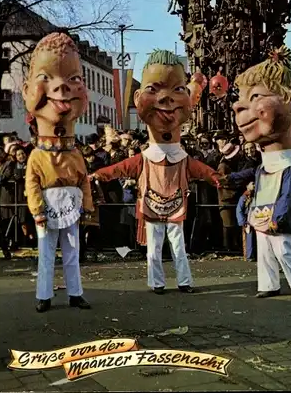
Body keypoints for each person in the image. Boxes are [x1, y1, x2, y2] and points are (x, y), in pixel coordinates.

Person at [90, 49, 222, 294]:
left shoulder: (181, 158)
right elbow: (120, 168)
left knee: (178, 246)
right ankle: (158, 283)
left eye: (177, 89)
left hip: (175, 205)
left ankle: (183, 282)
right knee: (154, 247)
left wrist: (214, 176)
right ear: (139, 98)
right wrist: (100, 174)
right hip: (151, 205)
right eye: (154, 89)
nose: (166, 98)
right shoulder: (144, 158)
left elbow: (200, 169)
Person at [225, 45, 291, 298]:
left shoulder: (289, 166)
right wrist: (229, 178)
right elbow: (253, 173)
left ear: (289, 101)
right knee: (263, 248)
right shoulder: (264, 164)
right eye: (241, 98)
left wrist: (280, 215)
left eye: (255, 97)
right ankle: (268, 285)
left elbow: (287, 194)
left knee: (283, 248)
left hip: (276, 216)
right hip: (261, 212)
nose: (238, 106)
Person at [23, 32, 94, 313]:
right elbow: (32, 185)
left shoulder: (75, 154)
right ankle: (44, 295)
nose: (62, 87)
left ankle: (75, 293)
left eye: (74, 79)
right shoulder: (37, 156)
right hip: (49, 205)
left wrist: (86, 205)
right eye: (46, 77)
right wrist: (37, 209)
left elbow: (83, 181)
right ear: (27, 89)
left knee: (72, 251)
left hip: (71, 205)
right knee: (46, 251)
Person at [236, 181, 256, 261]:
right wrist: (243, 221)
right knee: (249, 238)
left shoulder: (256, 196)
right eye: (252, 184)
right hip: (248, 220)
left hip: (256, 218)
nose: (254, 185)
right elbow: (239, 210)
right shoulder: (244, 197)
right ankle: (249, 256)